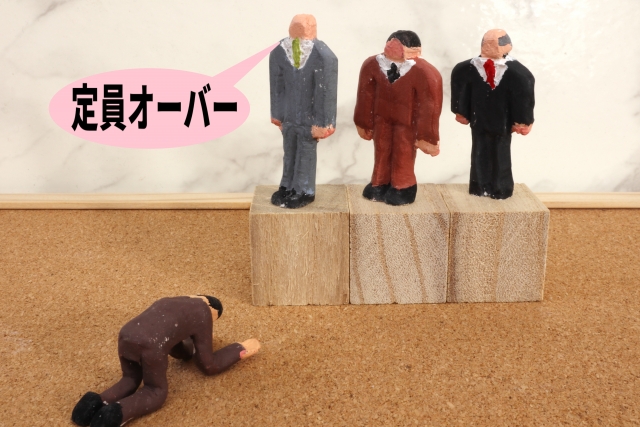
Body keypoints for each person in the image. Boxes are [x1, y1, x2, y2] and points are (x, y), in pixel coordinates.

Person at [71, 295, 260, 427]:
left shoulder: (169, 301)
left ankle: (90, 405)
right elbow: (208, 364)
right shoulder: (203, 312)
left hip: (127, 334)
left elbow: (176, 346)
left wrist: (187, 350)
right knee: (155, 391)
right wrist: (239, 349)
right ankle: (115, 414)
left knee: (130, 379)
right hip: (150, 344)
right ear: (214, 313)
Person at [354, 30, 443, 206]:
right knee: (381, 149)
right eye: (391, 44)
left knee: (403, 152)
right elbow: (365, 94)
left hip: (407, 123)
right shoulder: (373, 65)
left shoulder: (424, 72)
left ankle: (403, 186)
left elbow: (430, 105)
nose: (392, 48)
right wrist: (363, 122)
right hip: (381, 119)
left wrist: (427, 136)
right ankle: (379, 182)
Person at [451, 29, 535, 199]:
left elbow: (523, 96)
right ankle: (479, 186)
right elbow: (461, 88)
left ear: (507, 46)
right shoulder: (467, 68)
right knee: (479, 153)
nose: (489, 47)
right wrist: (461, 111)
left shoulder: (518, 73)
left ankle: (501, 188)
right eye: (486, 43)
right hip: (479, 119)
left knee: (501, 155)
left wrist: (522, 121)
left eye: (494, 44)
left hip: (502, 121)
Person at [269, 14, 338, 209]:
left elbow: (327, 92)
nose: (301, 28)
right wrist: (277, 114)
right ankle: (287, 186)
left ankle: (304, 190)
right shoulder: (279, 51)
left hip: (310, 119)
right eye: (297, 25)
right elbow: (276, 85)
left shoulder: (324, 55)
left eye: (307, 25)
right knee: (289, 151)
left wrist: (324, 123)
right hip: (289, 116)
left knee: (305, 153)